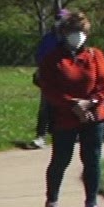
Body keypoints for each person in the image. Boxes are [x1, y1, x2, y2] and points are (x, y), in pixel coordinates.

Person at [37, 11, 104, 207]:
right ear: (64, 33)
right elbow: (49, 88)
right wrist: (73, 104)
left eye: (81, 32)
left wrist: (91, 103)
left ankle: (91, 205)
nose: (77, 36)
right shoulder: (53, 59)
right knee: (61, 159)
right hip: (65, 116)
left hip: (93, 115)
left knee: (92, 159)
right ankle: (52, 201)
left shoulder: (94, 56)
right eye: (73, 32)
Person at [30, 8, 67, 150]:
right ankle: (41, 136)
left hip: (67, 76)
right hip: (49, 76)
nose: (59, 22)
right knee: (45, 107)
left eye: (62, 19)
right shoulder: (48, 38)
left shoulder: (70, 38)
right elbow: (40, 56)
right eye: (58, 18)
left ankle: (65, 135)